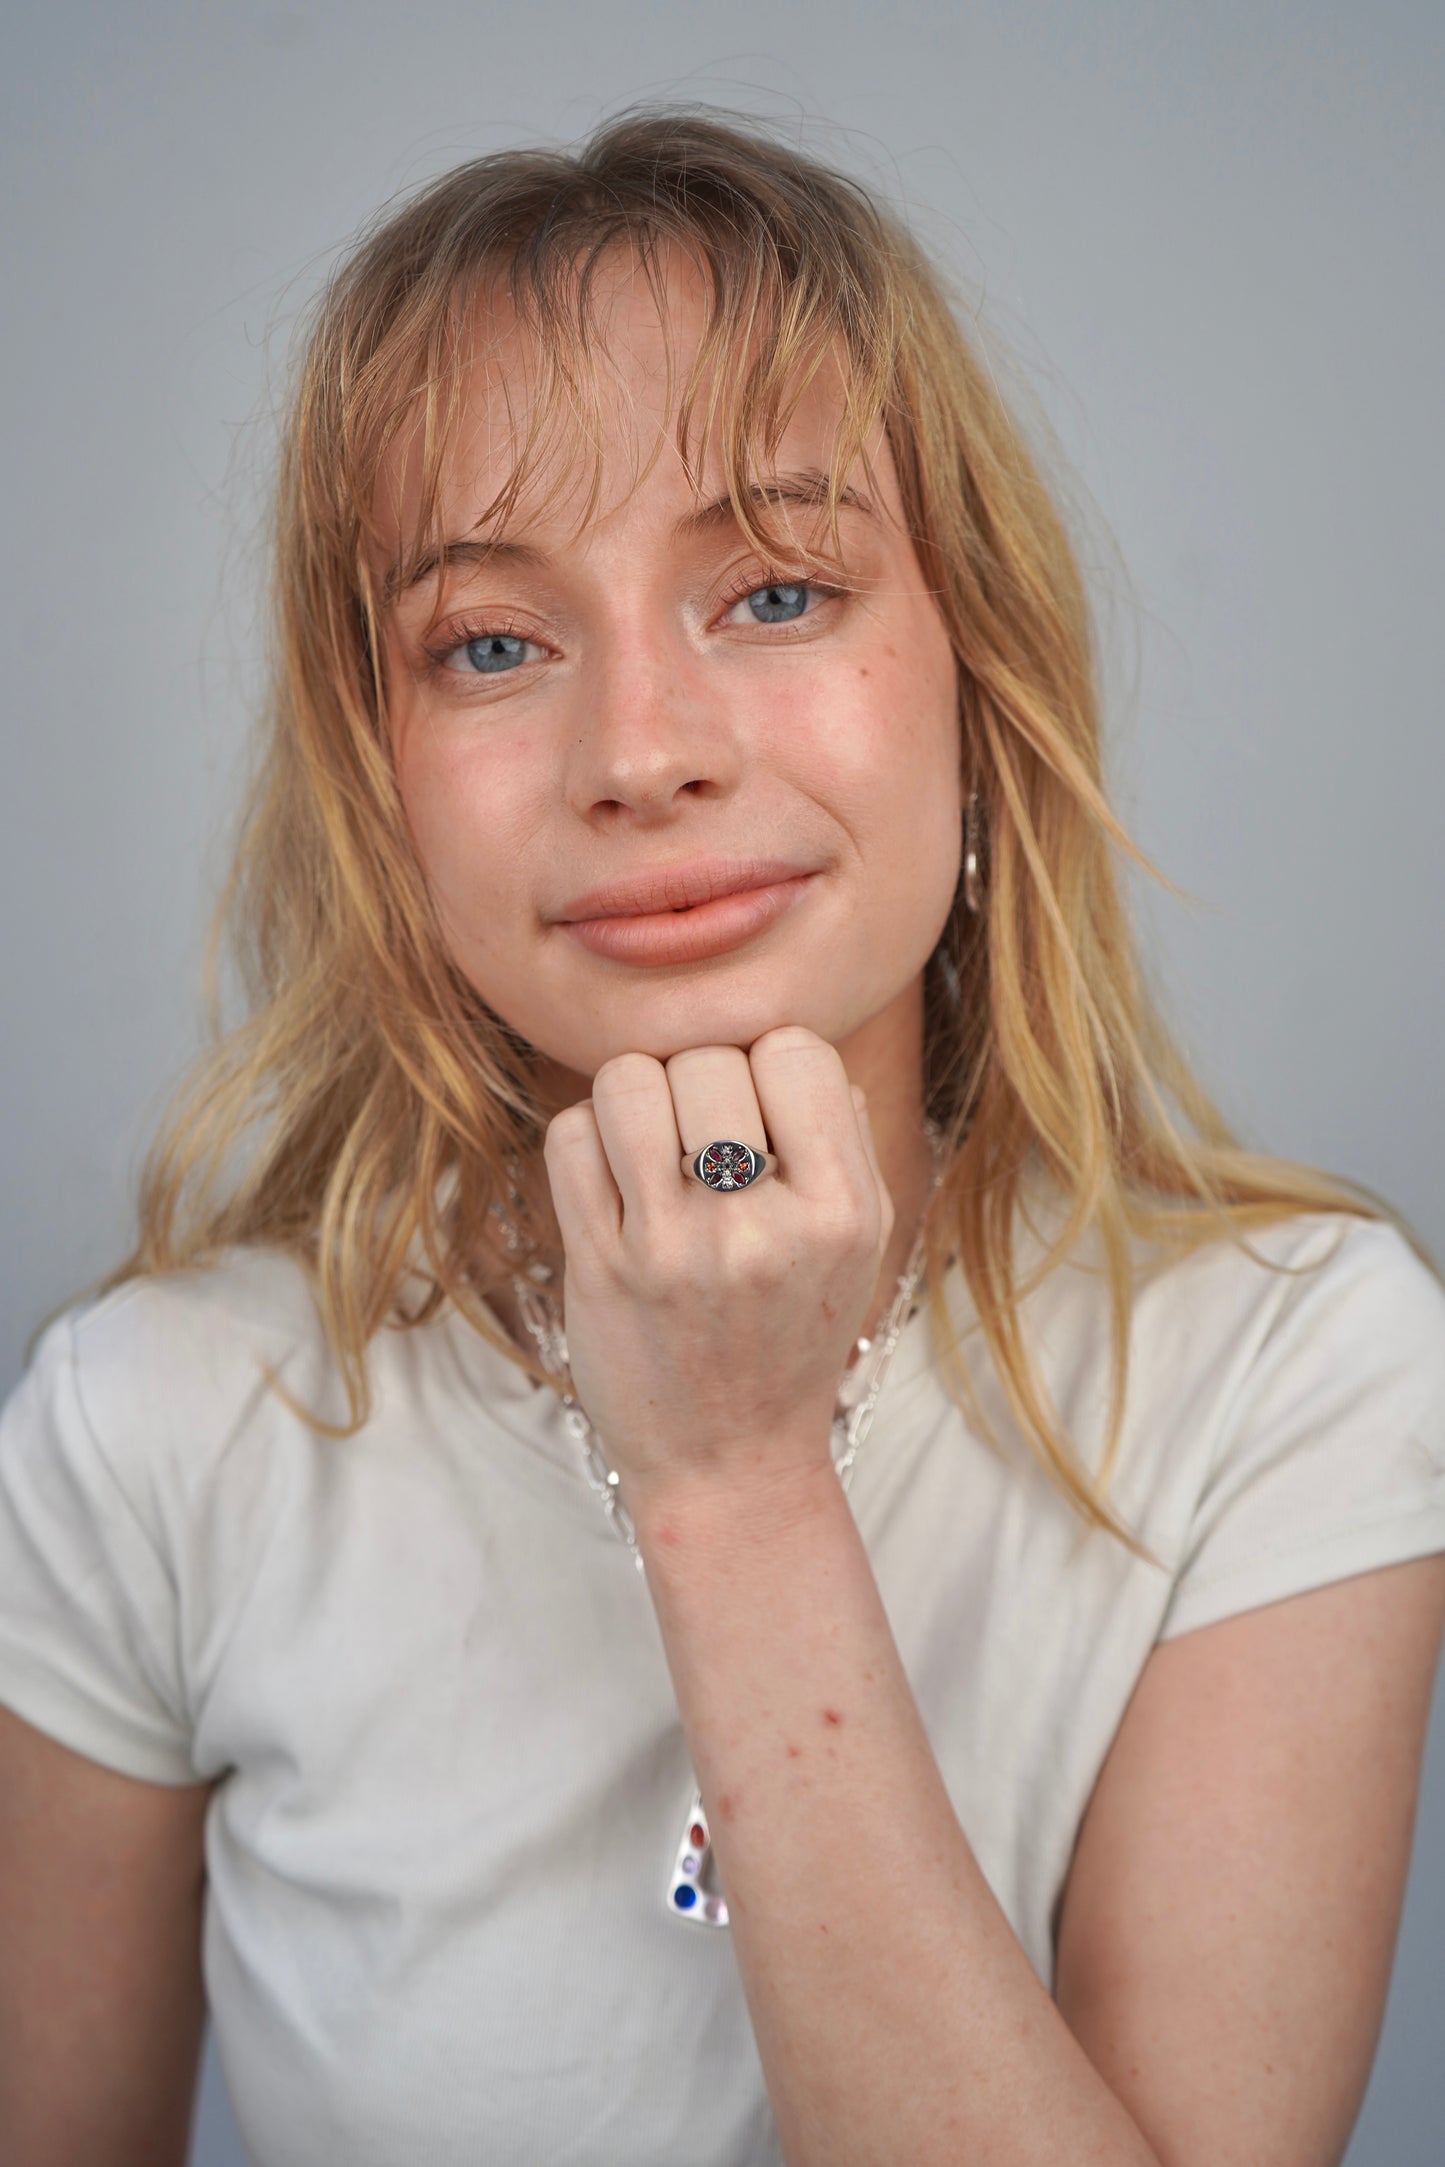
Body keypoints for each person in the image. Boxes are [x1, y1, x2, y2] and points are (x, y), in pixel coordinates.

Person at [2, 106, 1443, 2167]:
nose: (640, 753)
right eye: (491, 643)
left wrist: (739, 1484)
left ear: (978, 682)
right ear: (381, 778)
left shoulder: (1295, 1372)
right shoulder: (150, 1431)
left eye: (772, 591)